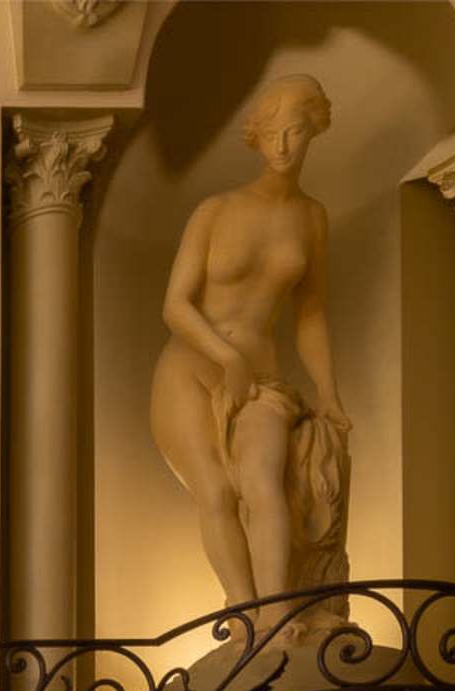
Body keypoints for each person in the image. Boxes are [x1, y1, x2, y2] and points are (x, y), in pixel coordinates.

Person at [150, 75, 351, 618]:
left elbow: (310, 313)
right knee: (216, 493)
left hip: (262, 383)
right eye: (272, 133)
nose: (283, 146)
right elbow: (175, 306)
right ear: (256, 138)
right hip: (190, 370)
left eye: (295, 131)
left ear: (314, 131)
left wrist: (329, 394)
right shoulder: (215, 211)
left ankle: (276, 616)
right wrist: (228, 357)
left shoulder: (311, 218)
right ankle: (244, 619)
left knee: (264, 485)